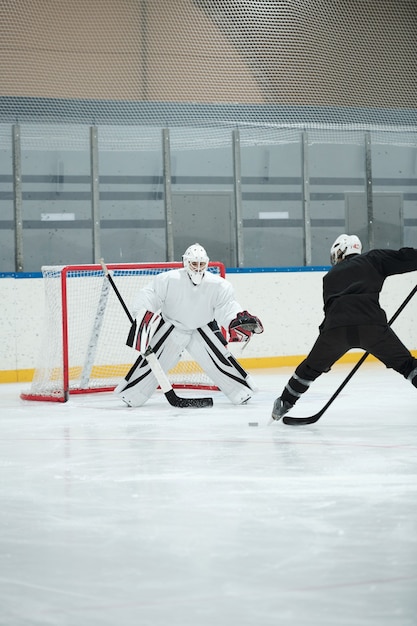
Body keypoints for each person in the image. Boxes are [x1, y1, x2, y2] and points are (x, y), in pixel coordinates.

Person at [271, 234, 417, 421]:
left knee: (309, 369)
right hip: (371, 326)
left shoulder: (329, 276)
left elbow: (329, 310)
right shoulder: (374, 259)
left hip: (335, 331)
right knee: (408, 366)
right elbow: (405, 257)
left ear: (341, 251)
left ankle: (284, 403)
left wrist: (324, 356)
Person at [115, 243, 264, 407]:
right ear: (186, 262)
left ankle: (241, 393)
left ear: (207, 263)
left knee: (220, 361)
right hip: (171, 327)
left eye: (201, 264)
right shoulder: (168, 279)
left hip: (203, 327)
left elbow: (226, 307)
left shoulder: (219, 285)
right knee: (153, 362)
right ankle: (132, 395)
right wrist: (142, 314)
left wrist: (235, 320)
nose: (198, 268)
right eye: (194, 263)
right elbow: (150, 296)